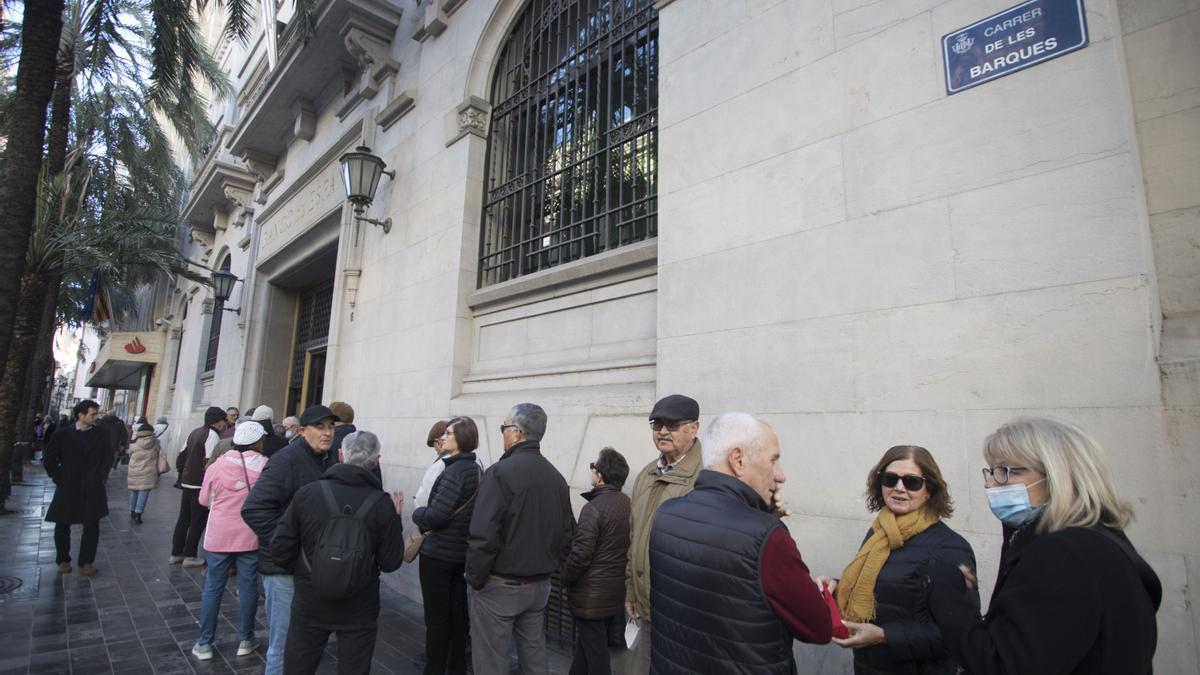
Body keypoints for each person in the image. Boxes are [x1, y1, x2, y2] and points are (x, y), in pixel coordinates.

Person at [928, 417, 1162, 675]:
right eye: (991, 471)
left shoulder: (1064, 553)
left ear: (1057, 476)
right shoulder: (1097, 541)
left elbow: (1005, 665)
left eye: (1006, 472)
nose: (990, 483)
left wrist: (949, 599)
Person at [649, 413, 832, 674]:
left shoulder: (667, 513)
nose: (780, 476)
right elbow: (819, 628)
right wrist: (769, 527)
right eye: (773, 460)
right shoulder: (768, 536)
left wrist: (762, 516)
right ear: (738, 459)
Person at [816, 446, 977, 674]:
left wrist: (884, 636)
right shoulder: (880, 532)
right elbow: (883, 588)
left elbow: (960, 635)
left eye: (912, 482)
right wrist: (837, 586)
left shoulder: (949, 548)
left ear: (929, 489)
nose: (899, 488)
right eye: (890, 479)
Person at [271, 430, 404, 674]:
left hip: (310, 598)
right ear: (376, 460)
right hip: (359, 604)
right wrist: (395, 520)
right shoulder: (382, 503)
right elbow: (391, 561)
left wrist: (304, 571)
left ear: (340, 455)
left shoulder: (308, 494)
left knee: (298, 666)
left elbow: (280, 548)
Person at [465, 403, 574, 675]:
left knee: (491, 660)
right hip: (538, 586)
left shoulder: (500, 473)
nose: (502, 433)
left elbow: (483, 534)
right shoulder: (556, 477)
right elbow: (568, 534)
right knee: (534, 654)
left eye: (503, 428)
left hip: (501, 585)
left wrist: (475, 579)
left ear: (516, 432)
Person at [242, 404, 339, 675]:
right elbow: (254, 508)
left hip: (312, 568)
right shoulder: (286, 460)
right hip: (284, 568)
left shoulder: (329, 459)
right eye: (320, 427)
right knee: (283, 645)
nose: (327, 433)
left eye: (331, 427)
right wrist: (288, 543)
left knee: (305, 643)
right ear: (302, 431)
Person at [625, 394, 703, 674]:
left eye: (671, 425)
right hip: (645, 609)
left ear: (693, 428)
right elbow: (634, 538)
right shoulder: (646, 474)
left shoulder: (706, 478)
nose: (662, 431)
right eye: (657, 424)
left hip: (684, 614)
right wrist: (631, 589)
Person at [192, 422, 269, 662]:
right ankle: (246, 638)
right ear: (257, 441)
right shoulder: (264, 465)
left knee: (213, 588)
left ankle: (205, 642)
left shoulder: (217, 465)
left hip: (219, 534)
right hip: (249, 534)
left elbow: (204, 500)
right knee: (248, 588)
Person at [412, 417, 482, 675]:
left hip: (439, 554)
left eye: (449, 433)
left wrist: (417, 514)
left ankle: (435, 668)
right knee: (456, 618)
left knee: (437, 620)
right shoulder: (474, 468)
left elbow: (437, 515)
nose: (444, 437)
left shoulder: (453, 470)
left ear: (460, 438)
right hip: (459, 553)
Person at [564, 447, 631, 675]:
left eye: (593, 465)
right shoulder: (627, 504)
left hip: (591, 598)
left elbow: (580, 555)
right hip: (612, 595)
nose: (591, 470)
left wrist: (566, 577)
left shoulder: (593, 509)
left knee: (596, 657)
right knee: (586, 650)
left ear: (600, 474)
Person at [43, 399, 113, 575]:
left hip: (92, 487)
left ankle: (86, 562)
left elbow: (107, 457)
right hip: (68, 486)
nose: (96, 417)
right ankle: (63, 560)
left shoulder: (101, 434)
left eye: (96, 414)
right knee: (62, 525)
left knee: (92, 525)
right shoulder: (62, 434)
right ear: (80, 415)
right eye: (93, 414)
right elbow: (49, 458)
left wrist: (101, 476)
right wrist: (59, 477)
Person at [171, 406, 227, 567]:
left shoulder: (195, 432)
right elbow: (210, 462)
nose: (224, 425)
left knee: (184, 519)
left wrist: (183, 475)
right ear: (218, 422)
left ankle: (176, 553)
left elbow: (181, 456)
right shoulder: (212, 435)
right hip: (200, 485)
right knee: (197, 521)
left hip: (188, 482)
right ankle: (190, 555)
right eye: (223, 421)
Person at [127, 423, 167, 524]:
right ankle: (138, 514)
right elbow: (160, 454)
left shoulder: (134, 442)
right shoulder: (156, 442)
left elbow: (130, 454)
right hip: (149, 471)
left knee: (134, 491)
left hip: (134, 470)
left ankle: (132, 511)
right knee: (143, 492)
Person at [413, 420, 450, 508]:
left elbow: (424, 499)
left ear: (438, 442)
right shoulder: (474, 460)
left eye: (434, 446)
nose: (436, 450)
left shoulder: (440, 464)